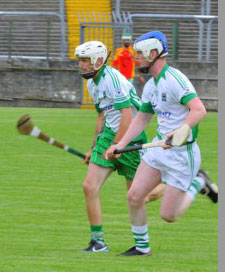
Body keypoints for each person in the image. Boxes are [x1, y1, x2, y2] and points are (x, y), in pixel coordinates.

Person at [105, 31, 218, 256]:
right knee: (135, 196)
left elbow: (199, 109)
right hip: (159, 149)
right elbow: (142, 118)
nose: (137, 58)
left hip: (181, 154)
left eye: (140, 54)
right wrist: (120, 143)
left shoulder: (175, 80)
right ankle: (142, 247)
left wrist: (180, 132)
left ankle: (198, 183)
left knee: (169, 216)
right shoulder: (151, 86)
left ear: (154, 53)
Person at [75, 40, 151, 253]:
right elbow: (101, 115)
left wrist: (118, 145)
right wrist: (94, 147)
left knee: (138, 197)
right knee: (89, 187)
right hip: (109, 134)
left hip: (132, 137)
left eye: (85, 61)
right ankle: (98, 242)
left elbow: (127, 115)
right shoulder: (92, 83)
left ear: (98, 61)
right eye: (79, 60)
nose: (81, 65)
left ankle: (185, 185)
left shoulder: (113, 80)